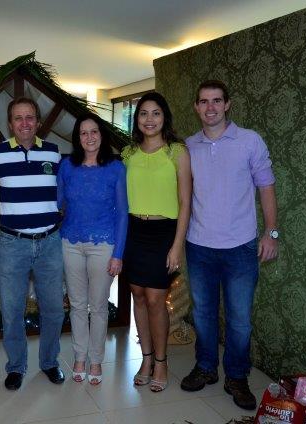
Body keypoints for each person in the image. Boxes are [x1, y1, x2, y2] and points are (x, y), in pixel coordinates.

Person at [180, 80, 278, 410]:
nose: (210, 107)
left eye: (217, 100)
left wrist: (271, 233)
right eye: (204, 101)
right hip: (199, 246)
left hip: (241, 247)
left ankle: (236, 376)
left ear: (227, 104)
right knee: (203, 314)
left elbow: (266, 187)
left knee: (239, 320)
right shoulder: (188, 147)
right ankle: (206, 367)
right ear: (196, 107)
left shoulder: (250, 141)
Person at [0, 97, 65, 390]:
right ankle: (16, 366)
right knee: (11, 311)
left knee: (54, 310)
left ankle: (49, 362)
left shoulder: (53, 152)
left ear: (38, 121)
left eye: (30, 117)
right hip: (13, 244)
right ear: (10, 123)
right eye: (18, 118)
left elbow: (65, 192)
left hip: (50, 243)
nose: (25, 123)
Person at [121, 92, 192, 393]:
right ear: (136, 119)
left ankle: (161, 362)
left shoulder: (177, 151)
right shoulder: (128, 153)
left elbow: (185, 202)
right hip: (134, 231)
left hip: (164, 232)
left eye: (156, 113)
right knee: (138, 295)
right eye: (143, 114)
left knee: (155, 299)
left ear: (165, 117)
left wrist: (177, 245)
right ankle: (146, 359)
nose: (149, 119)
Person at [57, 113, 127, 385]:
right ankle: (79, 357)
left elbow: (122, 213)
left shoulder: (116, 168)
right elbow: (58, 203)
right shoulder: (67, 166)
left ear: (101, 135)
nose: (89, 137)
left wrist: (118, 254)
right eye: (83, 133)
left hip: (104, 245)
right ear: (77, 138)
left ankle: (96, 360)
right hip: (70, 243)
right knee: (76, 304)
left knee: (98, 306)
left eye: (94, 131)